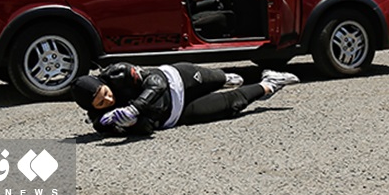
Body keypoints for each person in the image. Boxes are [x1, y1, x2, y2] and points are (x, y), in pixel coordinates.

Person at [71, 62, 300, 136]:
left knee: (227, 79)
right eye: (101, 103)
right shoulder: (103, 121)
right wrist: (133, 125)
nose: (109, 100)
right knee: (232, 105)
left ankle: (222, 79)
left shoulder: (118, 72)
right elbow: (148, 128)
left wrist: (135, 107)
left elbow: (157, 84)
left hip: (177, 79)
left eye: (105, 93)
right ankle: (270, 83)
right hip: (176, 114)